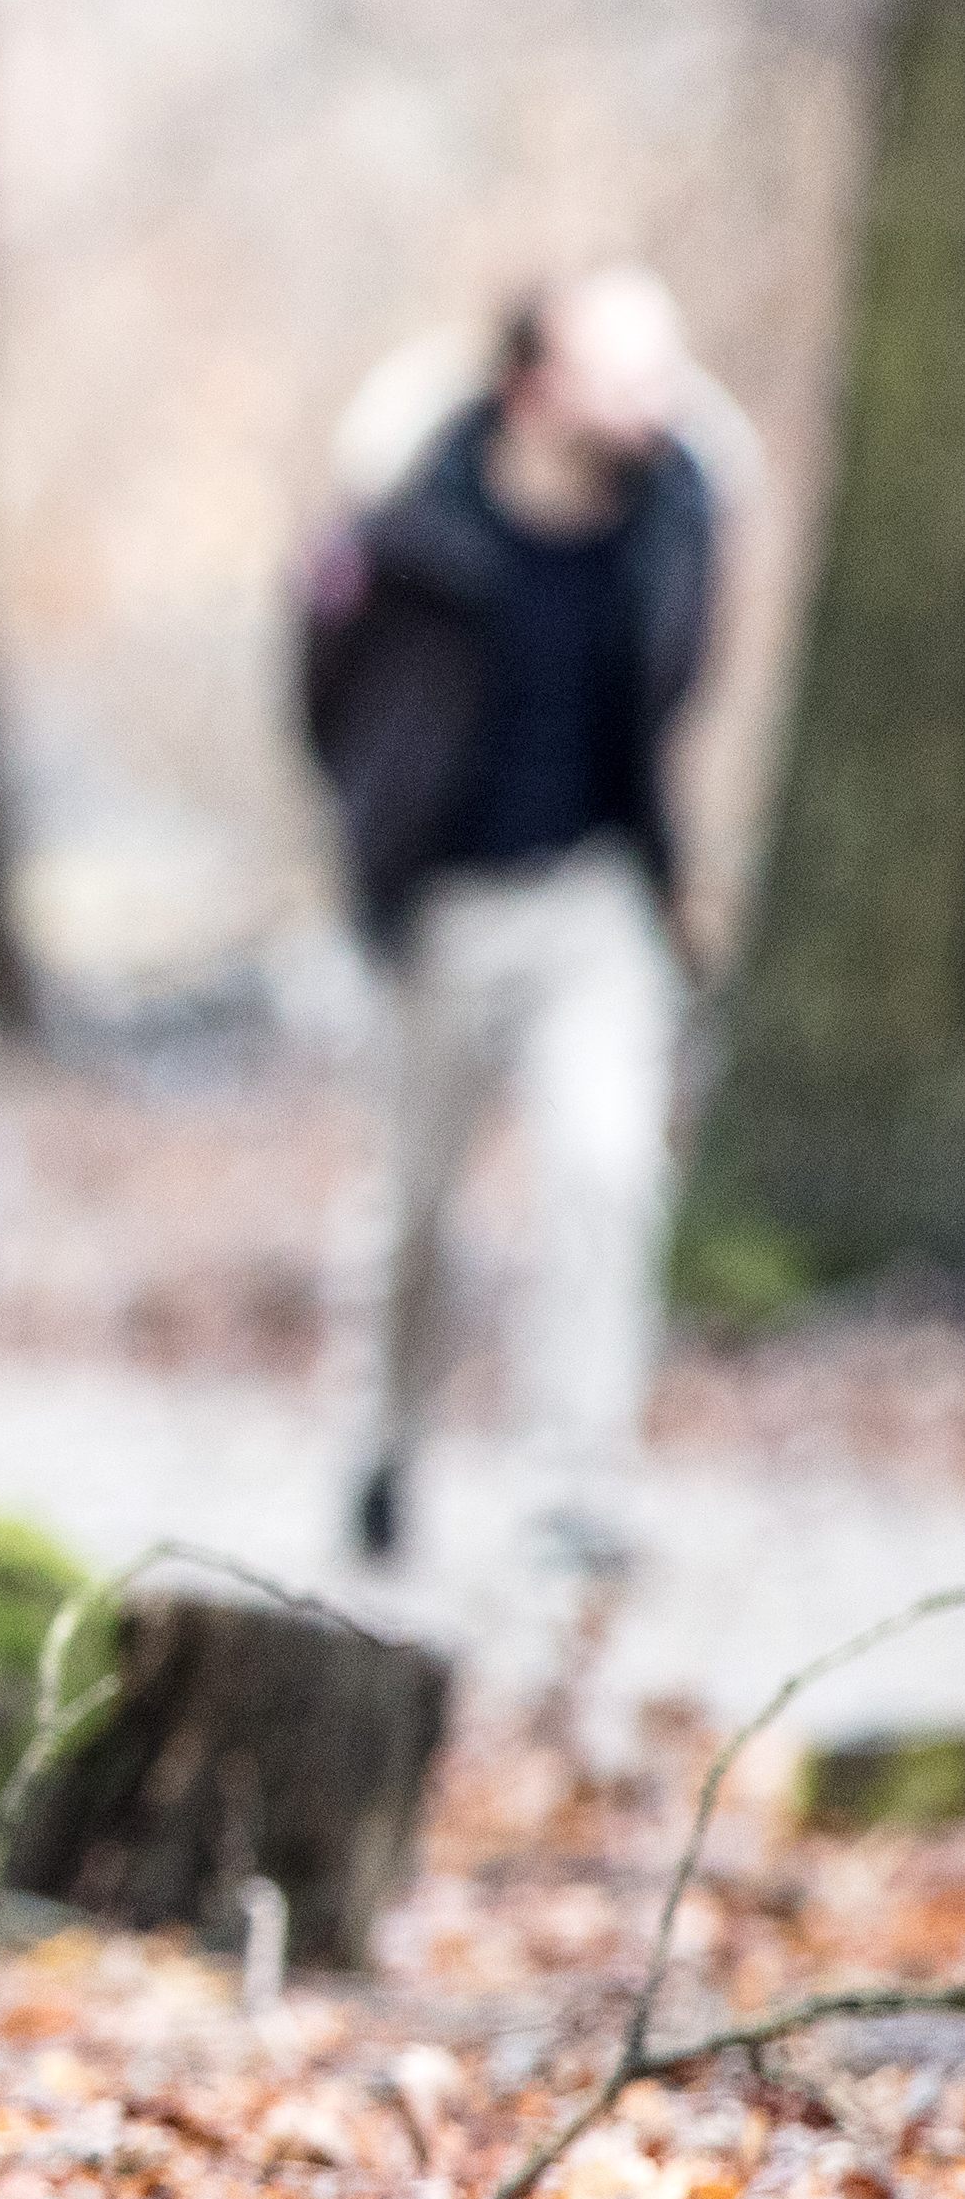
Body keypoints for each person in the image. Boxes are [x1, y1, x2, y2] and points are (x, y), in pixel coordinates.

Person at [299, 267, 726, 1573]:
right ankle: (378, 1444)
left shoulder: (676, 519)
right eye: (621, 373)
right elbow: (318, 690)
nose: (653, 402)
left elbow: (679, 676)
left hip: (593, 900)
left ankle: (575, 1488)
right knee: (413, 1211)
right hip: (436, 907)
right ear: (533, 386)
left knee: (604, 1169)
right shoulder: (405, 530)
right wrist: (379, 835)